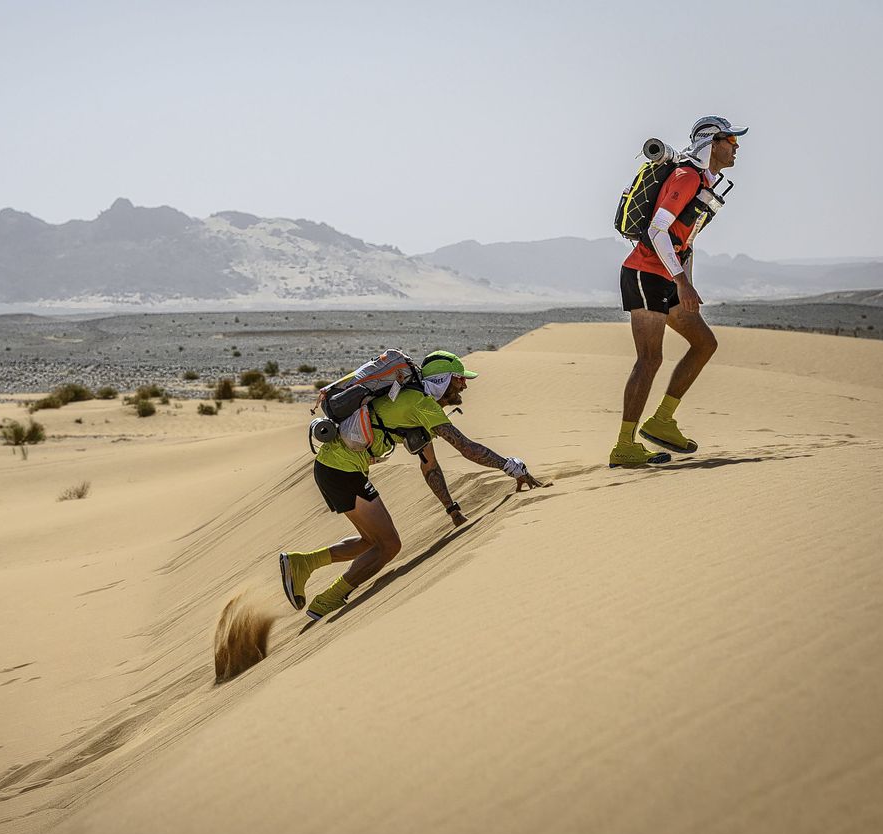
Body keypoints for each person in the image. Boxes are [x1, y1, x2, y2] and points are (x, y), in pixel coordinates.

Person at [280, 350, 549, 621]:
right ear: (443, 380)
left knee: (371, 541)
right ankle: (327, 601)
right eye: (458, 379)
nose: (464, 385)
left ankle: (303, 563)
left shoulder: (415, 404)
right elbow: (466, 447)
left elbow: (429, 465)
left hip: (335, 469)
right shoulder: (421, 404)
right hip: (341, 470)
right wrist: (511, 466)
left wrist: (452, 509)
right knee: (389, 546)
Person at [611, 115, 747, 467]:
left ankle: (662, 421)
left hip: (667, 277)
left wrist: (685, 279)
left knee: (705, 343)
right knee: (650, 359)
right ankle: (624, 446)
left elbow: (685, 240)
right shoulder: (686, 176)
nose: (736, 148)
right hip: (644, 273)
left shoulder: (705, 181)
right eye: (731, 141)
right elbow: (657, 231)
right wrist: (681, 281)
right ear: (712, 143)